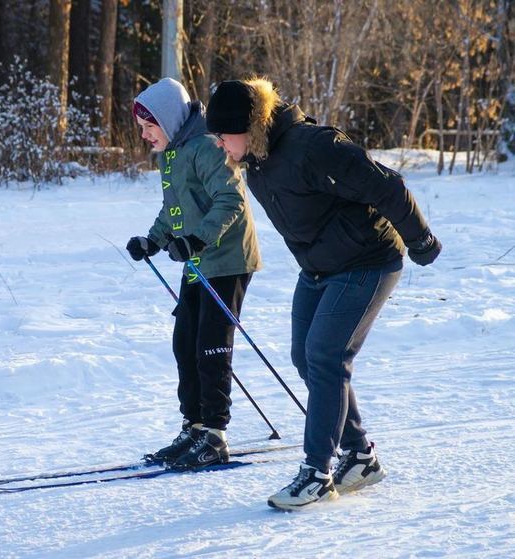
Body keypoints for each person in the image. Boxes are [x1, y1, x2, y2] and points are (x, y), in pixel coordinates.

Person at [205, 78, 442, 510]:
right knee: (305, 357)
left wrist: (421, 239)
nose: (221, 146)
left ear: (248, 125)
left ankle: (317, 472)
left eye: (224, 136)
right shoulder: (257, 158)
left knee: (327, 357)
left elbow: (385, 184)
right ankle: (361, 456)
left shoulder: (313, 147)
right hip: (319, 267)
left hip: (367, 261)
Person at [126, 77, 262, 469]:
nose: (145, 135)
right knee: (184, 341)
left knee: (210, 346)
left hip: (228, 259)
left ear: (168, 121)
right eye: (141, 128)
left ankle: (215, 435)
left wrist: (197, 240)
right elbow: (174, 212)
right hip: (199, 260)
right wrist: (152, 241)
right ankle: (195, 426)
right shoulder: (173, 154)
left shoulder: (206, 147)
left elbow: (230, 199)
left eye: (149, 126)